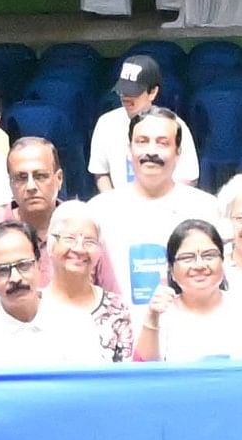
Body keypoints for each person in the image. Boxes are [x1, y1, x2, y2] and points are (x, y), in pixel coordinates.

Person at [0, 220, 114, 376]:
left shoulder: (77, 325)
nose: (16, 278)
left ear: (39, 265)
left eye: (23, 265)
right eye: (2, 270)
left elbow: (92, 390)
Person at [86, 110, 220, 305]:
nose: (151, 151)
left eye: (162, 143)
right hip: (119, 329)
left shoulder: (205, 209)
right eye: (142, 141)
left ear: (178, 152)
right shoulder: (99, 211)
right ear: (128, 149)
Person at [136, 218, 242, 362]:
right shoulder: (161, 315)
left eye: (209, 255)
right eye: (187, 258)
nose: (200, 265)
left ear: (222, 261)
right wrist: (152, 318)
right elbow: (145, 374)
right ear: (172, 270)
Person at [90, 54, 167, 191]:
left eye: (133, 92)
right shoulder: (106, 123)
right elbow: (101, 173)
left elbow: (188, 177)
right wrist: (114, 204)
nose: (126, 98)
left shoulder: (173, 126)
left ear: (152, 92)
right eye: (123, 92)